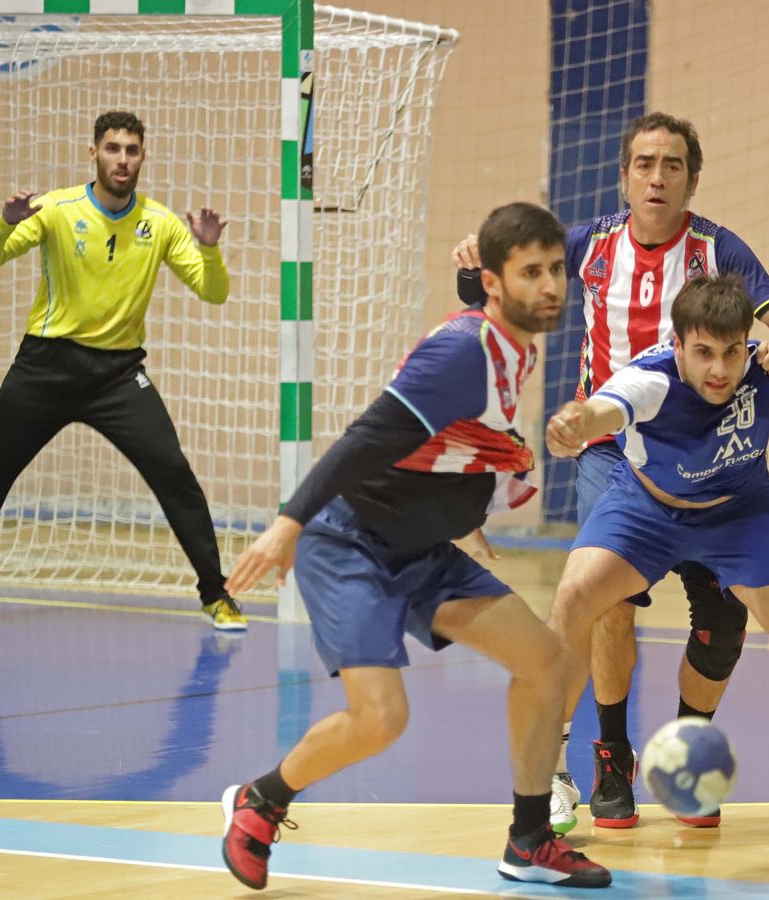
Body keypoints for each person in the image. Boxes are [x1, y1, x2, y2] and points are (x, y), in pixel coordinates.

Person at [452, 112, 769, 834]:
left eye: (672, 165)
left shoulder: (719, 249)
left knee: (722, 622)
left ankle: (686, 749)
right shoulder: (586, 246)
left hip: (712, 454)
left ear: (691, 179)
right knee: (603, 604)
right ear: (626, 176)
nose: (657, 176)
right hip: (613, 447)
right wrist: (472, 269)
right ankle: (607, 756)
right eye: (644, 163)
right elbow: (497, 298)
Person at [217, 203, 611, 891]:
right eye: (530, 273)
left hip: (422, 549)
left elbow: (456, 436)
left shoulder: (513, 343)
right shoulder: (462, 351)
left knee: (547, 661)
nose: (550, 286)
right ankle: (262, 800)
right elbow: (368, 438)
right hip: (351, 545)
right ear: (494, 282)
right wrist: (289, 523)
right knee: (381, 718)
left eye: (555, 270)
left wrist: (469, 499)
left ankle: (529, 841)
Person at [544, 274, 769, 852]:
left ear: (747, 344)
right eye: (704, 353)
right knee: (573, 600)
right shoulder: (648, 381)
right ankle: (551, 774)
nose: (719, 369)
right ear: (679, 345)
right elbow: (601, 413)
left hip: (740, 512)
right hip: (645, 509)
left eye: (732, 351)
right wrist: (574, 427)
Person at [0, 110, 245, 631]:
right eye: (112, 148)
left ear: (143, 156)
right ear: (93, 153)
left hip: (119, 375)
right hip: (45, 367)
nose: (122, 160)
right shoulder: (55, 209)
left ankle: (216, 595)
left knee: (174, 475)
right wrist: (5, 224)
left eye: (132, 150)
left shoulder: (161, 223)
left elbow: (214, 293)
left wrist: (209, 251)